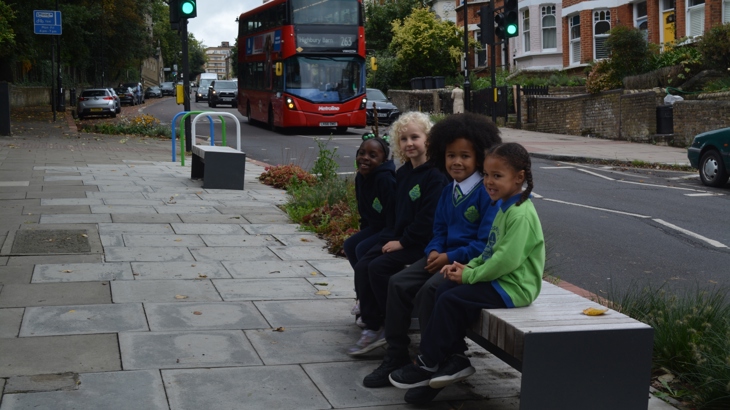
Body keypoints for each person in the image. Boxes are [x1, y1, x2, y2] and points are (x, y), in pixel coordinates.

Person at [388, 142, 545, 404]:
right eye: (486, 174)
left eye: (497, 176)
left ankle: (428, 361)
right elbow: (490, 250)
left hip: (515, 287)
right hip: (502, 280)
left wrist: (470, 276)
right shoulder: (504, 206)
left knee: (451, 298)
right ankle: (453, 361)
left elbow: (505, 260)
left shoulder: (521, 214)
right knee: (445, 289)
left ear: (519, 178)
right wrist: (467, 267)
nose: (489, 182)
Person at [361, 112, 502, 388]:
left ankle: (433, 358)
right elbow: (438, 229)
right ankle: (397, 354)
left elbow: (484, 243)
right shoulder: (449, 190)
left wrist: (448, 256)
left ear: (479, 157)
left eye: (465, 156)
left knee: (430, 291)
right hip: (439, 255)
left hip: (465, 261)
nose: (457, 162)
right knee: (398, 283)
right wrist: (436, 249)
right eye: (450, 156)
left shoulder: (485, 193)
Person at [347, 112, 449, 355]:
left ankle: (386, 325)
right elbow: (397, 214)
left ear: (428, 139)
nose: (409, 143)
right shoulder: (404, 173)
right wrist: (390, 237)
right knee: (364, 262)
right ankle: (376, 321)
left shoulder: (435, 175)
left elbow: (427, 220)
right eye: (403, 139)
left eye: (415, 137)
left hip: (422, 244)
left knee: (378, 267)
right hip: (402, 237)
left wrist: (401, 242)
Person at [344, 133, 396, 327]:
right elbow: (365, 213)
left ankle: (370, 301)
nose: (365, 158)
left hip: (390, 228)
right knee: (351, 245)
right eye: (362, 153)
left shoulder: (385, 180)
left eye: (373, 155)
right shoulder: (361, 177)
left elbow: (393, 214)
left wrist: (387, 238)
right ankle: (364, 294)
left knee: (362, 250)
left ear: (383, 160)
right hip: (375, 225)